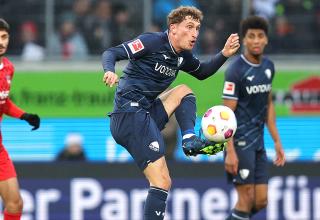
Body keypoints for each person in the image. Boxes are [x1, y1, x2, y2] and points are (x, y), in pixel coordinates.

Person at [102, 6, 240, 220]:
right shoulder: (152, 42)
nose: (195, 33)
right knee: (162, 181)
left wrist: (224, 54)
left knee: (184, 91)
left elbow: (202, 72)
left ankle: (189, 139)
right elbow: (111, 52)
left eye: (198, 28)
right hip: (129, 114)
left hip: (144, 113)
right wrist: (109, 70)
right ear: (173, 28)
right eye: (189, 27)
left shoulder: (182, 56)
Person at [222, 16, 286, 220]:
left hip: (258, 143)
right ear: (244, 40)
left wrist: (276, 140)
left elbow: (268, 104)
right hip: (239, 143)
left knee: (261, 201)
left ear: (266, 39)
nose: (256, 40)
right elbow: (226, 115)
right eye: (251, 36)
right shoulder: (235, 71)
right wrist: (230, 151)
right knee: (245, 200)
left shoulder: (269, 67)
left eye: (260, 36)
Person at [0, 18, 40, 220]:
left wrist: (24, 115)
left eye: (4, 37)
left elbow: (3, 102)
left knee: (15, 204)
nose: (1, 42)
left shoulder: (7, 68)